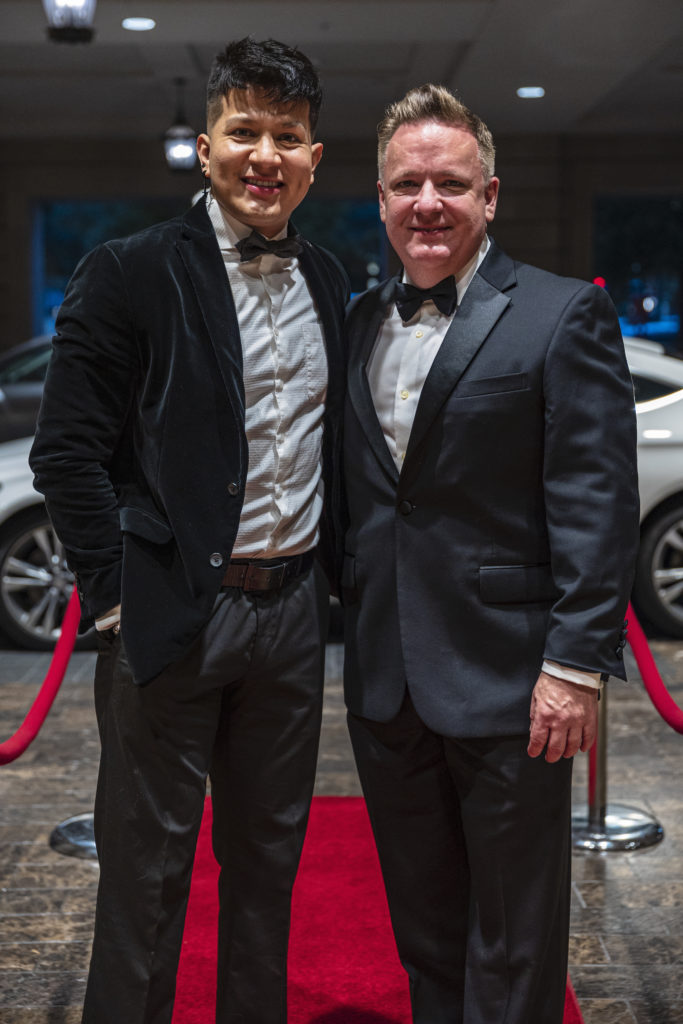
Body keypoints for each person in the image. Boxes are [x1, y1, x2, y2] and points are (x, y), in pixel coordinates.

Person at [30, 37, 348, 1024]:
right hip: (171, 616)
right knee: (147, 876)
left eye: (286, 136)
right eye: (244, 131)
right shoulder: (128, 271)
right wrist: (114, 594)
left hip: (290, 621)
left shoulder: (328, 278)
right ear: (206, 147)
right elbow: (66, 453)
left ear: (313, 158)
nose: (265, 155)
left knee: (267, 870)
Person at [342, 83, 639, 1024]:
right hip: (386, 682)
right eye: (407, 184)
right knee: (424, 929)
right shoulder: (356, 321)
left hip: (515, 682)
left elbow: (596, 501)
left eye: (451, 184)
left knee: (513, 940)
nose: (427, 203)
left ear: (491, 195)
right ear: (380, 199)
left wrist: (574, 666)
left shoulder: (560, 313)